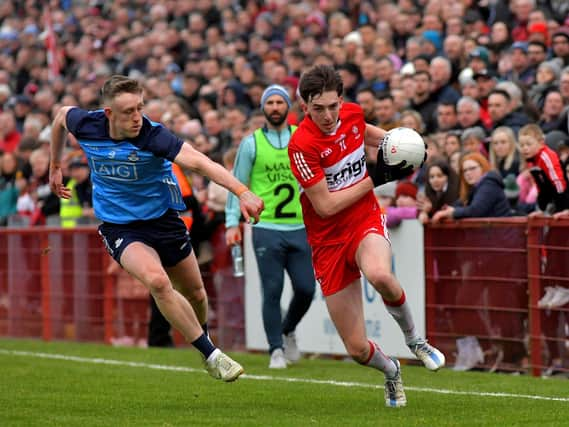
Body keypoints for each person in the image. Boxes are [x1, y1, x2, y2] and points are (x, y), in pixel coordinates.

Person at [49, 75, 264, 382]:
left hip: (164, 222)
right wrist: (55, 166)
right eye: (128, 112)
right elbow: (59, 117)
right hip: (119, 226)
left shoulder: (154, 136)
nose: (137, 118)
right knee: (158, 282)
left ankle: (201, 337)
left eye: (140, 108)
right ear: (108, 114)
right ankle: (211, 354)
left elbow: (202, 163)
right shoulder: (86, 125)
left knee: (197, 295)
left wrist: (242, 192)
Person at [287, 65, 445, 408]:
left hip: (363, 218)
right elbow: (326, 206)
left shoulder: (352, 114)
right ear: (304, 107)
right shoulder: (301, 145)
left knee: (379, 274)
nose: (328, 115)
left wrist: (409, 147)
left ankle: (416, 340)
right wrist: (376, 177)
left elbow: (376, 137)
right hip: (327, 239)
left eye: (333, 106)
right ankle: (391, 371)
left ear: (341, 100)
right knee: (357, 349)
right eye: (318, 109)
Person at [225, 84, 316, 369]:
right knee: (272, 289)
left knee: (306, 288)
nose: (275, 107)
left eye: (280, 102)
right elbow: (236, 185)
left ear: (288, 107)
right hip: (266, 227)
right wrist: (232, 222)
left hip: (301, 226)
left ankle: (287, 330)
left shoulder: (301, 138)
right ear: (263, 107)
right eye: (270, 103)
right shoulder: (251, 143)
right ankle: (275, 348)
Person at [432, 152, 512, 222]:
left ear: (483, 167)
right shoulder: (473, 188)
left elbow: (475, 210)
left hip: (500, 235)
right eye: (465, 170)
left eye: (472, 168)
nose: (468, 173)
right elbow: (458, 204)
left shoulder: (489, 184)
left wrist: (453, 212)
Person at [518, 124, 569, 215]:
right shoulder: (532, 161)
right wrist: (542, 209)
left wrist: (562, 208)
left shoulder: (546, 157)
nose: (525, 148)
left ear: (541, 143)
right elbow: (541, 187)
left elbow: (558, 182)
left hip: (564, 198)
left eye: (528, 144)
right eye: (522, 145)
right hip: (553, 201)